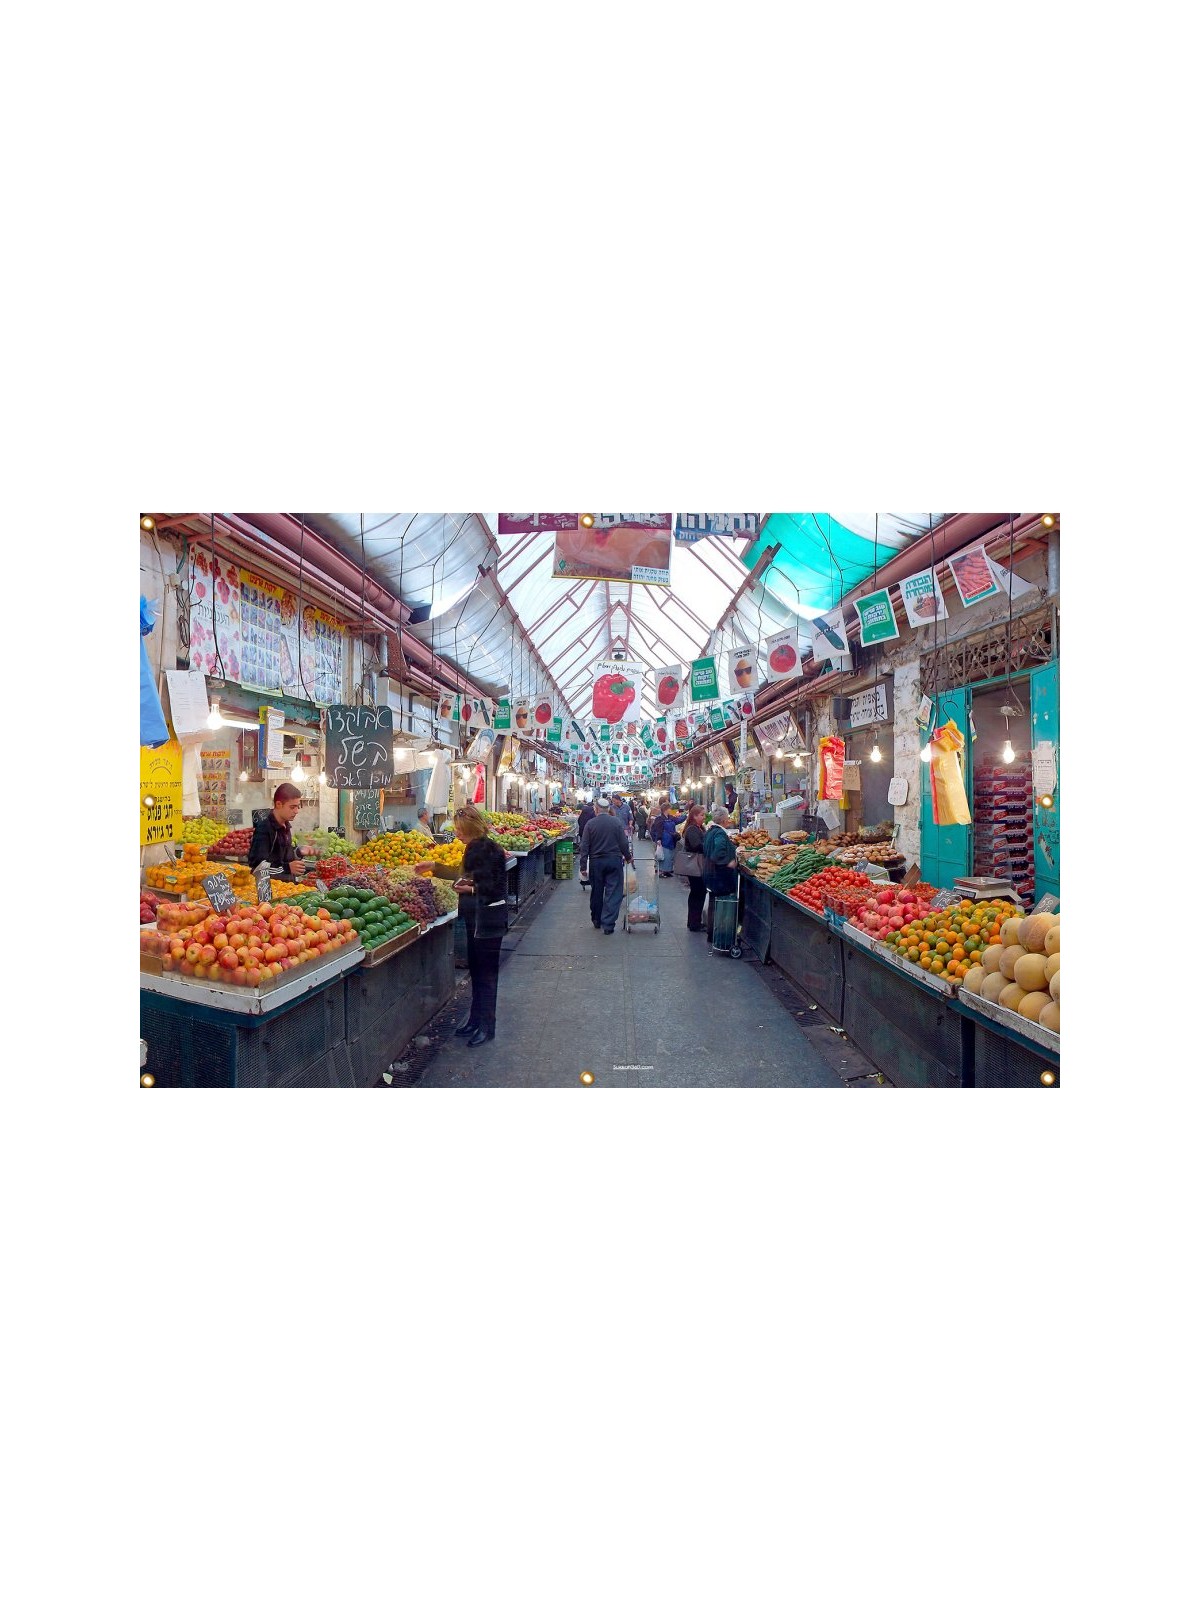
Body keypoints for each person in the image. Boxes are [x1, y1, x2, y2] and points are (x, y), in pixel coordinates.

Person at [417, 803, 508, 1048]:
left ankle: (487, 1027)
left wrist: (471, 888)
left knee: (487, 976)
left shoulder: (489, 850)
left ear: (471, 828)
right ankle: (475, 1020)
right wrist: (434, 867)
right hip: (475, 919)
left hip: (487, 921)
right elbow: (462, 875)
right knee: (477, 973)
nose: (456, 833)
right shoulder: (472, 848)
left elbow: (496, 887)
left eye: (460, 829)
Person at [579, 793, 633, 934]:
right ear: (608, 809)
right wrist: (628, 857)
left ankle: (597, 920)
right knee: (613, 892)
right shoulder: (616, 822)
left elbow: (584, 846)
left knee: (596, 892)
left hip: (596, 862)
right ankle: (608, 924)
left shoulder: (590, 824)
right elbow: (623, 843)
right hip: (614, 861)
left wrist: (583, 866)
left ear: (596, 809)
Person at [248, 783, 307, 877]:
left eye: (298, 806)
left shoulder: (286, 826)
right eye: (292, 807)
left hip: (287, 888)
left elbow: (283, 857)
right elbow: (257, 867)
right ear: (279, 804)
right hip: (272, 889)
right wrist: (287, 868)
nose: (296, 811)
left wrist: (298, 852)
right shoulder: (264, 829)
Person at [702, 804, 739, 943]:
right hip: (719, 876)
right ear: (723, 820)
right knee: (720, 905)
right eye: (728, 818)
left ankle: (711, 933)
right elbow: (718, 851)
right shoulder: (720, 833)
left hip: (709, 873)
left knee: (713, 902)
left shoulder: (710, 831)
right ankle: (721, 934)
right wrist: (728, 862)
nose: (729, 820)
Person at [680, 803, 709, 932]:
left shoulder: (699, 827)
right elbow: (697, 845)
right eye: (702, 815)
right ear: (694, 816)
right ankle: (694, 923)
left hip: (698, 865)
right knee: (698, 892)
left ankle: (693, 921)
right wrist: (710, 845)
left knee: (697, 893)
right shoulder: (692, 829)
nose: (704, 817)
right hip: (695, 865)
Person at [650, 799, 679, 876]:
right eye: (670, 808)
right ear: (666, 809)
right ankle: (662, 871)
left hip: (670, 839)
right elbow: (658, 829)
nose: (671, 810)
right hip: (663, 839)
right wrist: (658, 839)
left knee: (668, 855)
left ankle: (667, 871)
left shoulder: (669, 817)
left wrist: (686, 816)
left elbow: (677, 820)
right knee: (664, 855)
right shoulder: (660, 818)